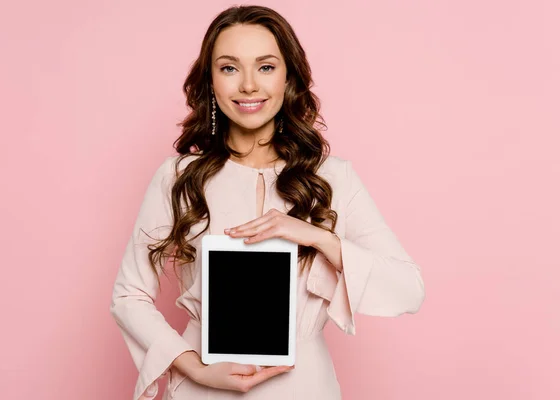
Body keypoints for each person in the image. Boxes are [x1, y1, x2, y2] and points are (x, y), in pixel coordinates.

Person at [110, 5, 425, 400]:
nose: (247, 86)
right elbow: (128, 295)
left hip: (305, 388)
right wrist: (192, 365)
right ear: (210, 81)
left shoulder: (332, 178)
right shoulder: (178, 177)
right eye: (229, 68)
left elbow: (408, 288)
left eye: (265, 67)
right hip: (202, 390)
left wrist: (316, 237)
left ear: (288, 76)